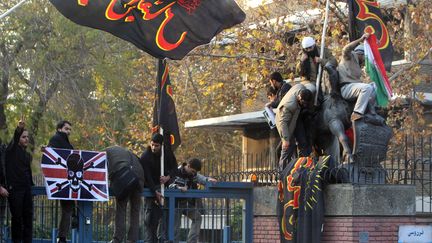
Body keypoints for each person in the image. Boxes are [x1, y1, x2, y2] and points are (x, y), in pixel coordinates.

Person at [140, 133, 177, 243]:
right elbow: (147, 176)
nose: (154, 148)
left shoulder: (167, 153)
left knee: (164, 215)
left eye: (156, 145)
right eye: (152, 145)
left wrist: (168, 177)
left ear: (161, 145)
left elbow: (175, 168)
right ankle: (149, 240)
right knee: (149, 218)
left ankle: (163, 239)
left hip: (164, 188)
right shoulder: (145, 156)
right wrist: (154, 191)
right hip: (150, 189)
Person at [168, 158, 216, 243]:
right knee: (175, 228)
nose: (194, 173)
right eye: (193, 171)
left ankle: (191, 241)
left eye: (195, 172)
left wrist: (208, 179)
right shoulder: (176, 171)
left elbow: (200, 178)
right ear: (188, 166)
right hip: (175, 204)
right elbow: (169, 184)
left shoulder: (193, 174)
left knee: (197, 217)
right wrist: (179, 188)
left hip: (185, 203)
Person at [106, 146, 145, 243]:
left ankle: (117, 239)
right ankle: (132, 239)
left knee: (121, 209)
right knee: (135, 210)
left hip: (125, 179)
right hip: (139, 180)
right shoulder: (128, 153)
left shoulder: (106, 153)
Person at [5, 120, 34, 243]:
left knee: (28, 218)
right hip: (15, 190)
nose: (26, 139)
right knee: (17, 219)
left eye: (27, 137)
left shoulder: (27, 155)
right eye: (23, 137)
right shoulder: (11, 150)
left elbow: (28, 172)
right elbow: (15, 138)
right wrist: (19, 129)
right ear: (18, 139)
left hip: (27, 189)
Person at [48, 120, 75, 243]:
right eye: (66, 129)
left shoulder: (65, 141)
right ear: (59, 129)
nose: (68, 131)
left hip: (69, 180)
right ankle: (62, 237)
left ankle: (62, 236)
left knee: (69, 207)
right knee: (68, 207)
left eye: (69, 129)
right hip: (61, 180)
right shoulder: (56, 139)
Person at [337, 33, 375, 121]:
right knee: (367, 88)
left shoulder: (358, 64)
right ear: (361, 54)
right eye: (365, 58)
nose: (365, 61)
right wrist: (360, 39)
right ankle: (357, 113)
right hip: (346, 88)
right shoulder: (350, 56)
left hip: (354, 89)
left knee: (374, 86)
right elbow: (345, 49)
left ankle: (371, 111)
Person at [275, 84, 313, 171]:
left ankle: (303, 168)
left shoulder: (301, 88)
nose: (304, 105)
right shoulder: (289, 106)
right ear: (299, 98)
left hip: (294, 117)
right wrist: (285, 139)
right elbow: (283, 123)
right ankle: (282, 173)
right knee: (288, 146)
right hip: (283, 121)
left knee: (302, 142)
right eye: (303, 103)